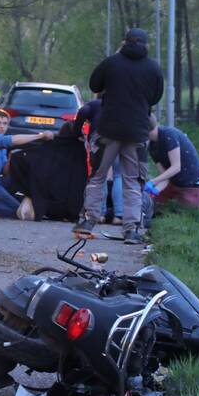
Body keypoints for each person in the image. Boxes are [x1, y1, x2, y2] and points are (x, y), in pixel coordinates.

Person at [73, 28, 163, 244]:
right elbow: (156, 97)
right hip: (137, 132)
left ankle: (89, 221)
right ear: (146, 45)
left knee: (97, 176)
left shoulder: (112, 62)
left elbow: (94, 84)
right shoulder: (153, 69)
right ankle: (131, 230)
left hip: (109, 130)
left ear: (124, 42)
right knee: (133, 182)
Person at [0, 109, 53, 217]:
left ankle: (32, 200)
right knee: (18, 211)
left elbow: (4, 171)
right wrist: (40, 136)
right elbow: (10, 140)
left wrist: (11, 158)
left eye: (5, 124)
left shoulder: (1, 145)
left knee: (17, 178)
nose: (1, 127)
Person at [145, 125, 199, 209]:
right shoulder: (152, 147)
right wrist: (154, 191)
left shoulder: (168, 134)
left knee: (183, 213)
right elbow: (165, 177)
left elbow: (176, 167)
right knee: (153, 205)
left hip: (191, 185)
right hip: (173, 183)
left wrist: (153, 181)